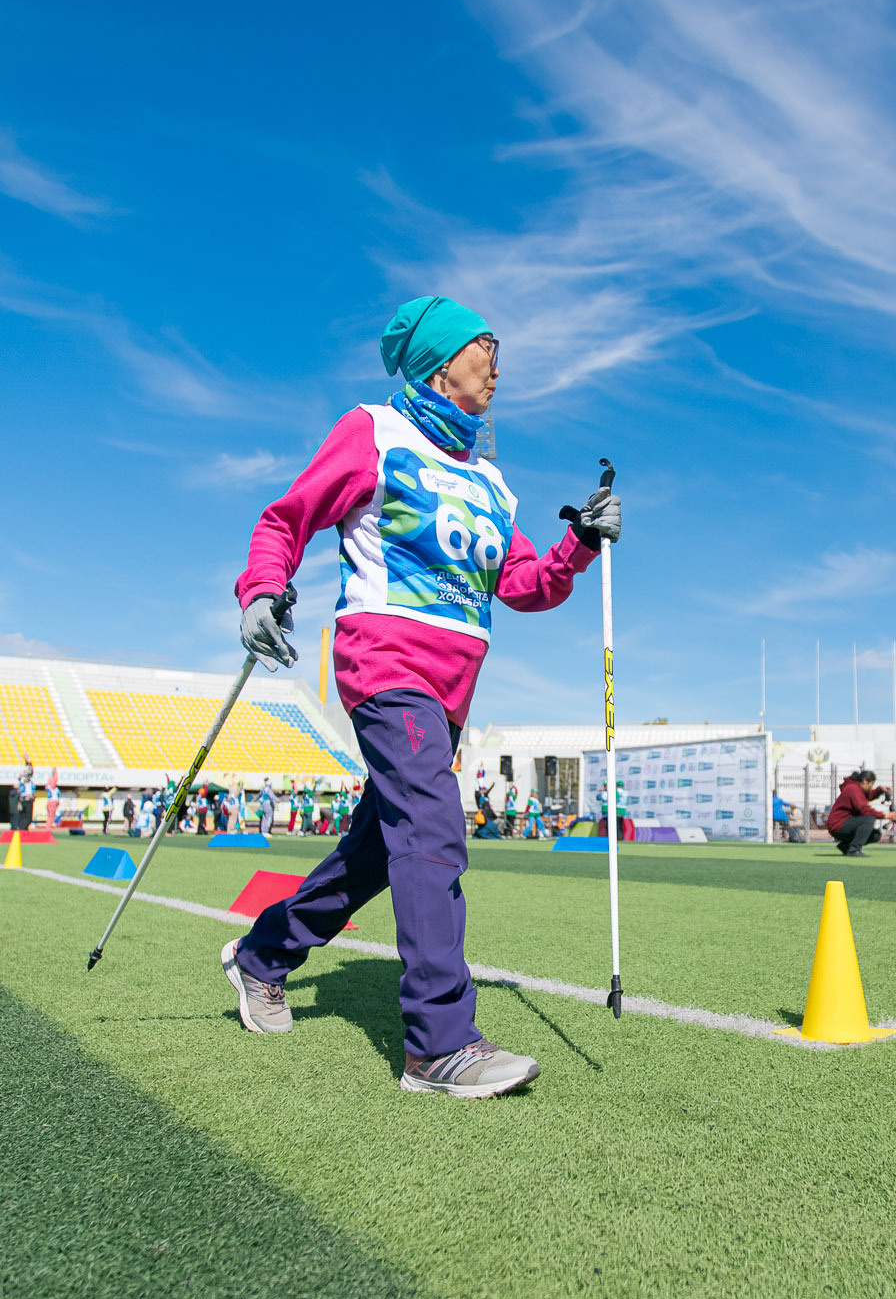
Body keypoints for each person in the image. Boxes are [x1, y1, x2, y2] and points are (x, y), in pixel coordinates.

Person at [221, 294, 619, 1099]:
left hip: (449, 698)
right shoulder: (374, 431)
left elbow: (525, 585)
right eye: (485, 348)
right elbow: (286, 518)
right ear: (442, 361)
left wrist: (578, 544)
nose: (498, 366)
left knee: (378, 850)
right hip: (384, 665)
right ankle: (439, 1042)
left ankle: (264, 955)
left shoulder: (493, 484)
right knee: (434, 829)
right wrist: (263, 589)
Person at [826, 768, 896, 857]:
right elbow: (864, 810)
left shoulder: (856, 788)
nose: (871, 788)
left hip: (843, 824)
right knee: (869, 819)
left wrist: (880, 790)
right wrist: (885, 815)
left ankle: (845, 846)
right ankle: (854, 850)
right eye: (871, 785)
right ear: (865, 781)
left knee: (875, 835)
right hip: (838, 825)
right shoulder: (853, 789)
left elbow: (868, 795)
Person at [13, 759, 36, 831]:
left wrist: (29, 762)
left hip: (29, 800)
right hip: (24, 799)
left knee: (28, 818)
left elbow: (31, 771)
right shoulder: (22, 780)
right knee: (23, 817)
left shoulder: (31, 782)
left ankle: (23, 830)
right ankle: (21, 830)